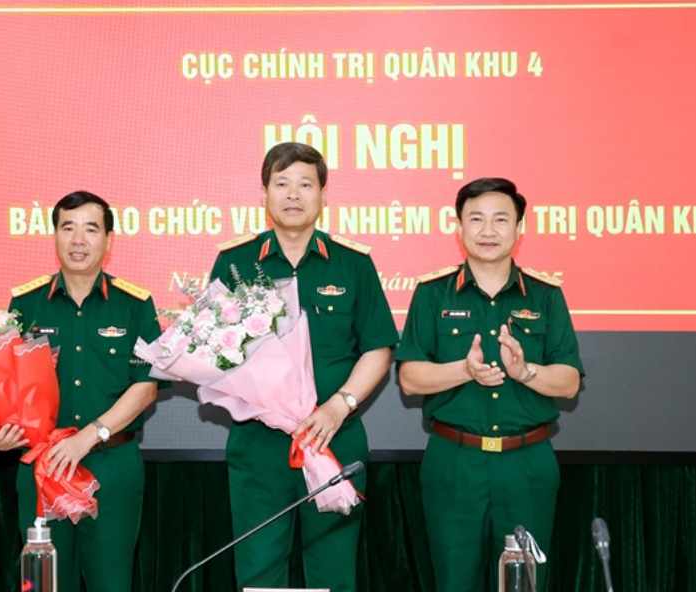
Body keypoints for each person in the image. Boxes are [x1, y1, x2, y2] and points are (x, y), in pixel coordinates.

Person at [208, 142, 398, 591]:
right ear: (264, 194)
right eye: (282, 183)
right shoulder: (234, 261)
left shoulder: (354, 264)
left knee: (333, 572)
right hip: (260, 446)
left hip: (336, 440)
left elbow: (377, 349)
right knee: (258, 570)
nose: (293, 194)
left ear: (323, 196)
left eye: (305, 184)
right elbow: (215, 352)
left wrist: (339, 405)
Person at [397, 177, 584, 592]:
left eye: (501, 220)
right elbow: (410, 378)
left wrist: (525, 373)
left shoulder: (545, 295)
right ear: (458, 228)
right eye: (476, 219)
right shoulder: (432, 294)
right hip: (454, 462)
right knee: (453, 581)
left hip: (527, 463)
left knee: (526, 584)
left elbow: (569, 381)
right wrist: (464, 370)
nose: (487, 231)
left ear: (520, 229)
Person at [0, 190, 163, 592]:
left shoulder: (135, 304)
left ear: (108, 240)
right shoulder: (25, 303)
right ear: (55, 236)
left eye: (90, 229)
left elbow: (146, 386)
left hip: (112, 464)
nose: (78, 240)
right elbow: (2, 383)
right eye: (68, 228)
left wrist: (88, 437)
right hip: (43, 466)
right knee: (43, 583)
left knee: (111, 582)